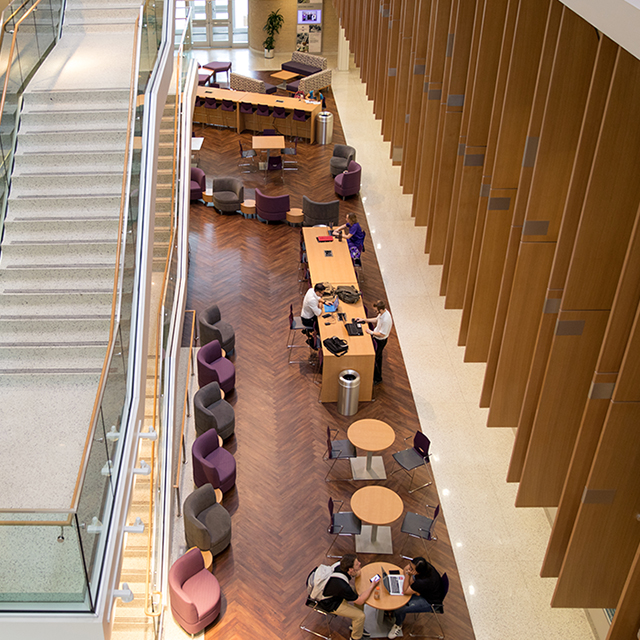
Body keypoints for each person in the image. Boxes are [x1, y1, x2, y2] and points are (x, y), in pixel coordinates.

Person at [319, 554, 378, 640]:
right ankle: (355, 638)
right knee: (360, 616)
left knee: (358, 592)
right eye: (357, 564)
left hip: (334, 593)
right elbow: (360, 601)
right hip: (330, 603)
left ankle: (356, 625)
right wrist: (372, 586)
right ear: (350, 569)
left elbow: (357, 573)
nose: (360, 564)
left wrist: (356, 571)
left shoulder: (341, 565)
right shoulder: (343, 587)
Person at [387, 557, 444, 639]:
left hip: (430, 602)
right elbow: (406, 569)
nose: (409, 568)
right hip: (425, 590)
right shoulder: (424, 566)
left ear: (418, 572)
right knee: (401, 595)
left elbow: (405, 590)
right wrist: (410, 574)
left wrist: (408, 575)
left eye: (412, 568)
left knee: (400, 608)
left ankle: (398, 625)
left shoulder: (423, 582)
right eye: (410, 565)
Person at [357, 300, 392, 384]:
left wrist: (371, 332)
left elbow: (382, 334)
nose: (375, 312)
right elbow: (376, 320)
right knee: (378, 357)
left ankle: (377, 378)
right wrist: (364, 320)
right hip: (377, 337)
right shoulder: (382, 313)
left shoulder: (386, 320)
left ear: (380, 309)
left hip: (380, 341)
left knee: (376, 359)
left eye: (376, 310)